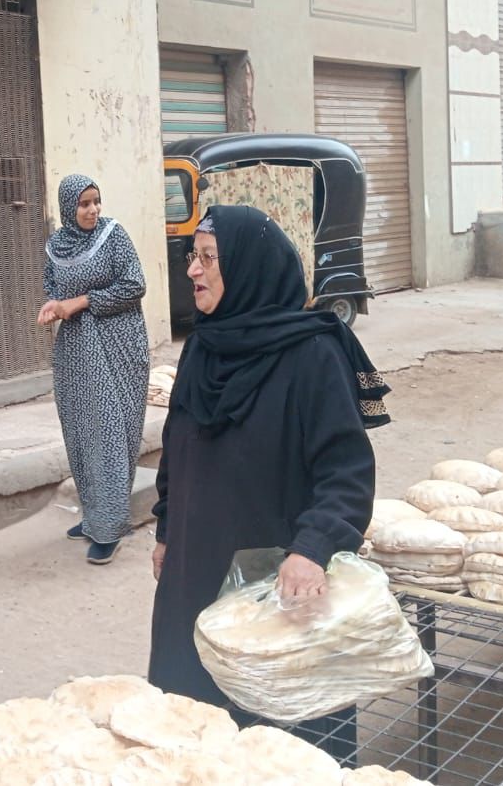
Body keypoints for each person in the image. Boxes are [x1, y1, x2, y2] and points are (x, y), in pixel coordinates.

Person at [148, 205, 386, 761]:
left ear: (249, 267)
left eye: (208, 258)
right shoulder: (204, 346)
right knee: (192, 730)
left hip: (277, 581)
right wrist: (165, 528)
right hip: (194, 572)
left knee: (282, 744)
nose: (193, 270)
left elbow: (346, 470)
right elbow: (177, 444)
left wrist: (313, 549)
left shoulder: (312, 354)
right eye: (192, 256)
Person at [37, 174, 149, 564]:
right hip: (76, 351)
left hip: (118, 347)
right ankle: (93, 517)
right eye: (84, 204)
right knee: (82, 432)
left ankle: (110, 527)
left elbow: (134, 285)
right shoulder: (56, 246)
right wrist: (53, 305)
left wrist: (80, 302)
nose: (93, 210)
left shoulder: (113, 235)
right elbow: (53, 286)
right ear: (69, 208)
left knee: (112, 433)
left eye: (96, 202)